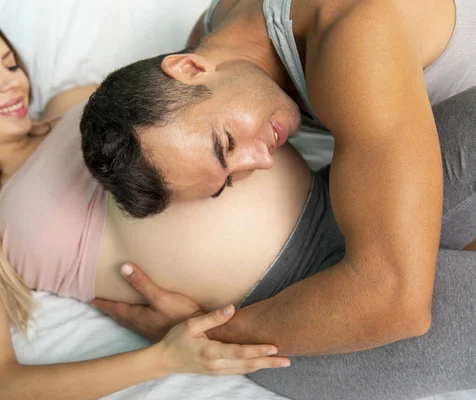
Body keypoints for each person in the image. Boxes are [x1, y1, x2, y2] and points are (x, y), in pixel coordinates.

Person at [0, 3, 290, 399]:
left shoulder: (70, 103)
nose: (12, 83)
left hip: (338, 206)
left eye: (10, 63)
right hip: (279, 310)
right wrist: (163, 358)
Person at [78, 0, 476, 398]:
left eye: (226, 143)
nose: (264, 162)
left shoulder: (357, 31)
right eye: (229, 180)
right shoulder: (214, 32)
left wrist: (202, 331)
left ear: (190, 69)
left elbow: (394, 300)